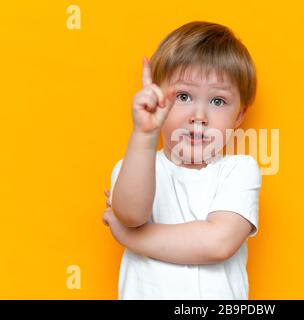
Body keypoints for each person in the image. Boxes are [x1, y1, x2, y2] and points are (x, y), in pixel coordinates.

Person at [102, 21, 261, 299]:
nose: (198, 115)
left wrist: (130, 238)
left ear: (239, 116)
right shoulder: (136, 167)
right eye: (184, 96)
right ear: (156, 99)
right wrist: (144, 133)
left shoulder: (239, 170)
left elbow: (218, 243)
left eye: (218, 101)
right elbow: (130, 214)